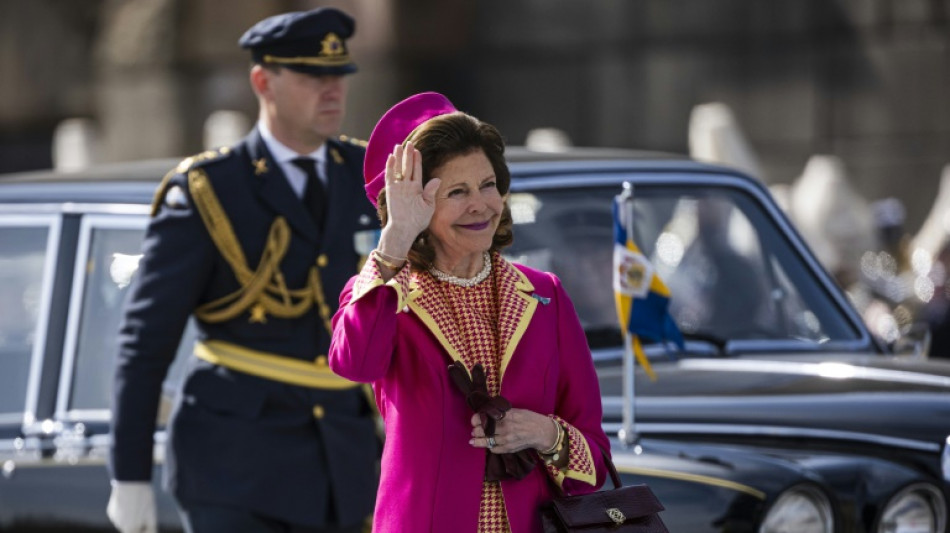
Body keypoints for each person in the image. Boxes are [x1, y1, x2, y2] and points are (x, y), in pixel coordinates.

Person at [106, 8, 380, 533]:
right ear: (263, 81)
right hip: (235, 468)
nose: (332, 91)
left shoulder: (366, 178)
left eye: (338, 76)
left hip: (343, 462)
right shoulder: (211, 191)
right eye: (311, 76)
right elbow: (145, 341)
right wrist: (129, 476)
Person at [329, 92, 611, 532]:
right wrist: (394, 241)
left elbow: (593, 459)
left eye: (487, 184)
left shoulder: (545, 295)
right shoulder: (387, 293)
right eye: (457, 192)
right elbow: (353, 363)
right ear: (417, 207)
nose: (480, 204)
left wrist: (545, 433)